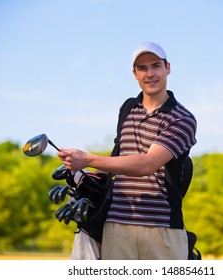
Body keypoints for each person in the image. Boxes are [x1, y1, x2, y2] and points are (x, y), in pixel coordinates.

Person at [58, 42, 197, 260]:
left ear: (167, 67)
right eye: (142, 68)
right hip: (117, 226)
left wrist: (86, 159)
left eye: (155, 66)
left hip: (162, 229)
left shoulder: (182, 118)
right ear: (134, 74)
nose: (150, 74)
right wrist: (86, 179)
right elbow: (119, 155)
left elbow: (147, 164)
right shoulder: (128, 108)